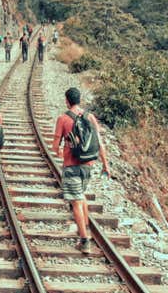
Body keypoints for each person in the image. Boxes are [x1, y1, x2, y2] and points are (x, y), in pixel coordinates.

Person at [51, 87, 110, 253]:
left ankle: (84, 240)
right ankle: (85, 227)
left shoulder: (63, 119)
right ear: (79, 99)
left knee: (76, 202)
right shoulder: (89, 117)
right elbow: (99, 143)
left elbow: (55, 146)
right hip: (87, 167)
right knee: (81, 196)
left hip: (72, 166)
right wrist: (106, 165)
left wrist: (62, 152)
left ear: (67, 100)